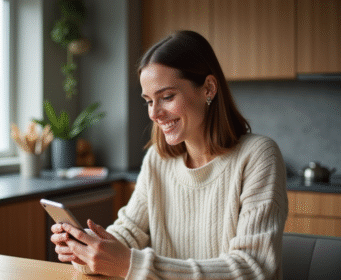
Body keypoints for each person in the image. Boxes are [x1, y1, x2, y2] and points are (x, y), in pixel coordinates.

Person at [51, 30, 288, 279]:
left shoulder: (259, 156)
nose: (154, 114)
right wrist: (89, 251)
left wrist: (131, 265)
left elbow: (253, 267)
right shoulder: (158, 160)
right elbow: (129, 232)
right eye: (149, 101)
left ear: (208, 88)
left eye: (166, 97)